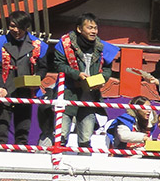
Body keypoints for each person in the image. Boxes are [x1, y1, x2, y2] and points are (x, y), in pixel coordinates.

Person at [49, 13, 120, 148]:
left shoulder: (102, 47)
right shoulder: (65, 44)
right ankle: (56, 163)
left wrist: (101, 79)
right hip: (68, 93)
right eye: (89, 28)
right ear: (79, 29)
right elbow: (59, 64)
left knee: (86, 137)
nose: (93, 31)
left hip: (90, 95)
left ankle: (84, 166)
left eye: (95, 28)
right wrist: (77, 74)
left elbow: (107, 69)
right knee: (61, 134)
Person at [0, 10, 45, 146]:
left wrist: (36, 79)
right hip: (4, 90)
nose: (16, 30)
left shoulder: (37, 44)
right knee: (1, 130)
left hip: (26, 91)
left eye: (20, 27)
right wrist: (0, 86)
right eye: (12, 26)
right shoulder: (0, 42)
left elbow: (43, 67)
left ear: (27, 27)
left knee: (23, 130)